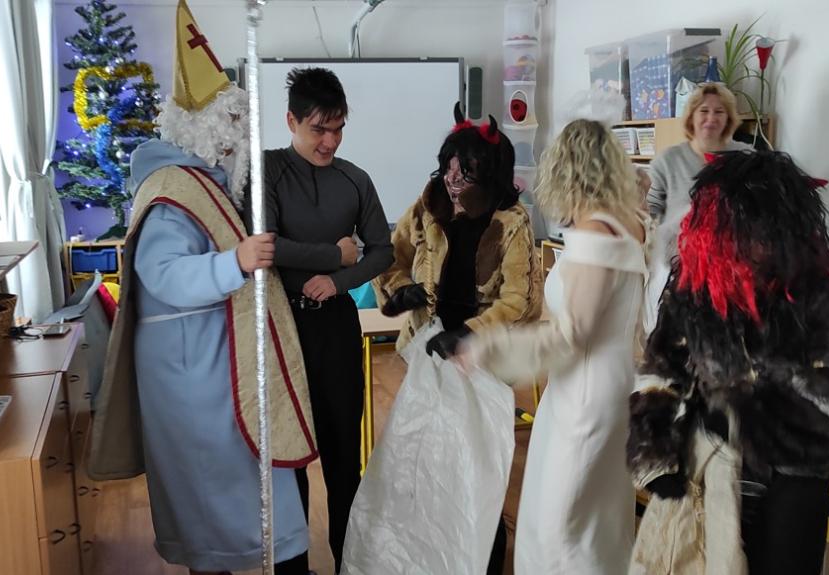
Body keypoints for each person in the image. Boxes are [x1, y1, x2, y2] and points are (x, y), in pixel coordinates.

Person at [85, 2, 316, 573]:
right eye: (231, 129)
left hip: (216, 364)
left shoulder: (201, 184)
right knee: (214, 502)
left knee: (260, 498)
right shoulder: (172, 191)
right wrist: (235, 262)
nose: (238, 144)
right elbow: (163, 274)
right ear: (204, 130)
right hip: (195, 377)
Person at [627, 150, 829, 574]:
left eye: (765, 230)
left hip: (794, 476)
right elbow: (661, 370)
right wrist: (657, 452)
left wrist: (752, 415)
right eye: (741, 229)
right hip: (713, 473)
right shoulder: (695, 288)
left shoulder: (822, 293)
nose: (756, 245)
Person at [456, 118, 648, 574]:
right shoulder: (629, 224)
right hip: (605, 383)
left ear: (565, 169)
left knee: (560, 527)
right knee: (596, 521)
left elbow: (571, 334)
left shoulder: (595, 235)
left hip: (585, 394)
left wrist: (490, 349)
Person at [373, 103, 540, 573]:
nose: (451, 179)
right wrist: (400, 290)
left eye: (464, 172)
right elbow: (390, 256)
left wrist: (469, 333)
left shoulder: (512, 222)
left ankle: (484, 557)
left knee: (480, 467)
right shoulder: (428, 206)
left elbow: (520, 299)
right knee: (428, 461)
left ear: (489, 173)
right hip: (429, 352)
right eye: (448, 167)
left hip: (483, 360)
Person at [253, 66, 394, 573]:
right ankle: (292, 567)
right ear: (291, 121)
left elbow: (382, 251)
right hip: (282, 329)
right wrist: (335, 255)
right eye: (318, 129)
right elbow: (266, 246)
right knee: (288, 456)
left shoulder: (355, 179)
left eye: (338, 129)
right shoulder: (268, 169)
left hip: (336, 326)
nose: (329, 141)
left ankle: (348, 562)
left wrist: (339, 282)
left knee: (342, 456)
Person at [644, 83, 751, 330]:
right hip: (680, 268)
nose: (711, 118)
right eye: (704, 111)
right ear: (691, 116)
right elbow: (649, 210)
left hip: (732, 269)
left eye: (719, 112)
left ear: (729, 119)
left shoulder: (746, 157)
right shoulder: (668, 160)